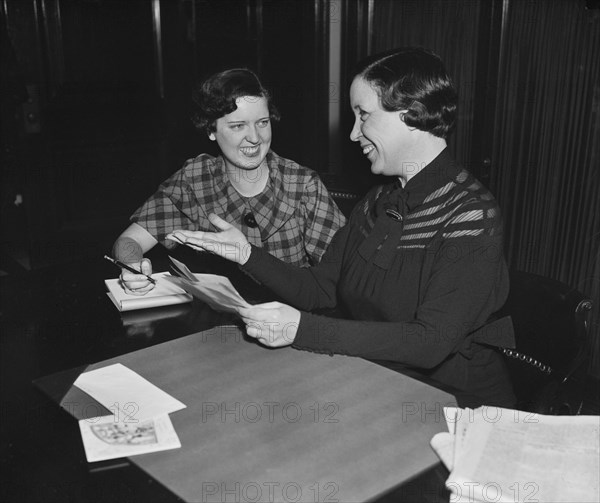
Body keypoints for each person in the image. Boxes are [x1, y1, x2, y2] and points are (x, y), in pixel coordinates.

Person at [168, 48, 516, 407]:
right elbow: (319, 289)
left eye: (363, 115)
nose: (353, 133)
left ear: (410, 113)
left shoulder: (471, 214)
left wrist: (303, 330)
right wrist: (245, 254)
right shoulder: (378, 200)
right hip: (382, 381)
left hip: (456, 405)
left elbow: (429, 343)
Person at [112, 68, 345, 296]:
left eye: (262, 122)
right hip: (217, 325)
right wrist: (132, 267)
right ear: (210, 130)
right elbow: (129, 240)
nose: (255, 137)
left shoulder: (303, 185)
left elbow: (344, 271)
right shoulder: (194, 180)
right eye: (237, 126)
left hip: (290, 321)